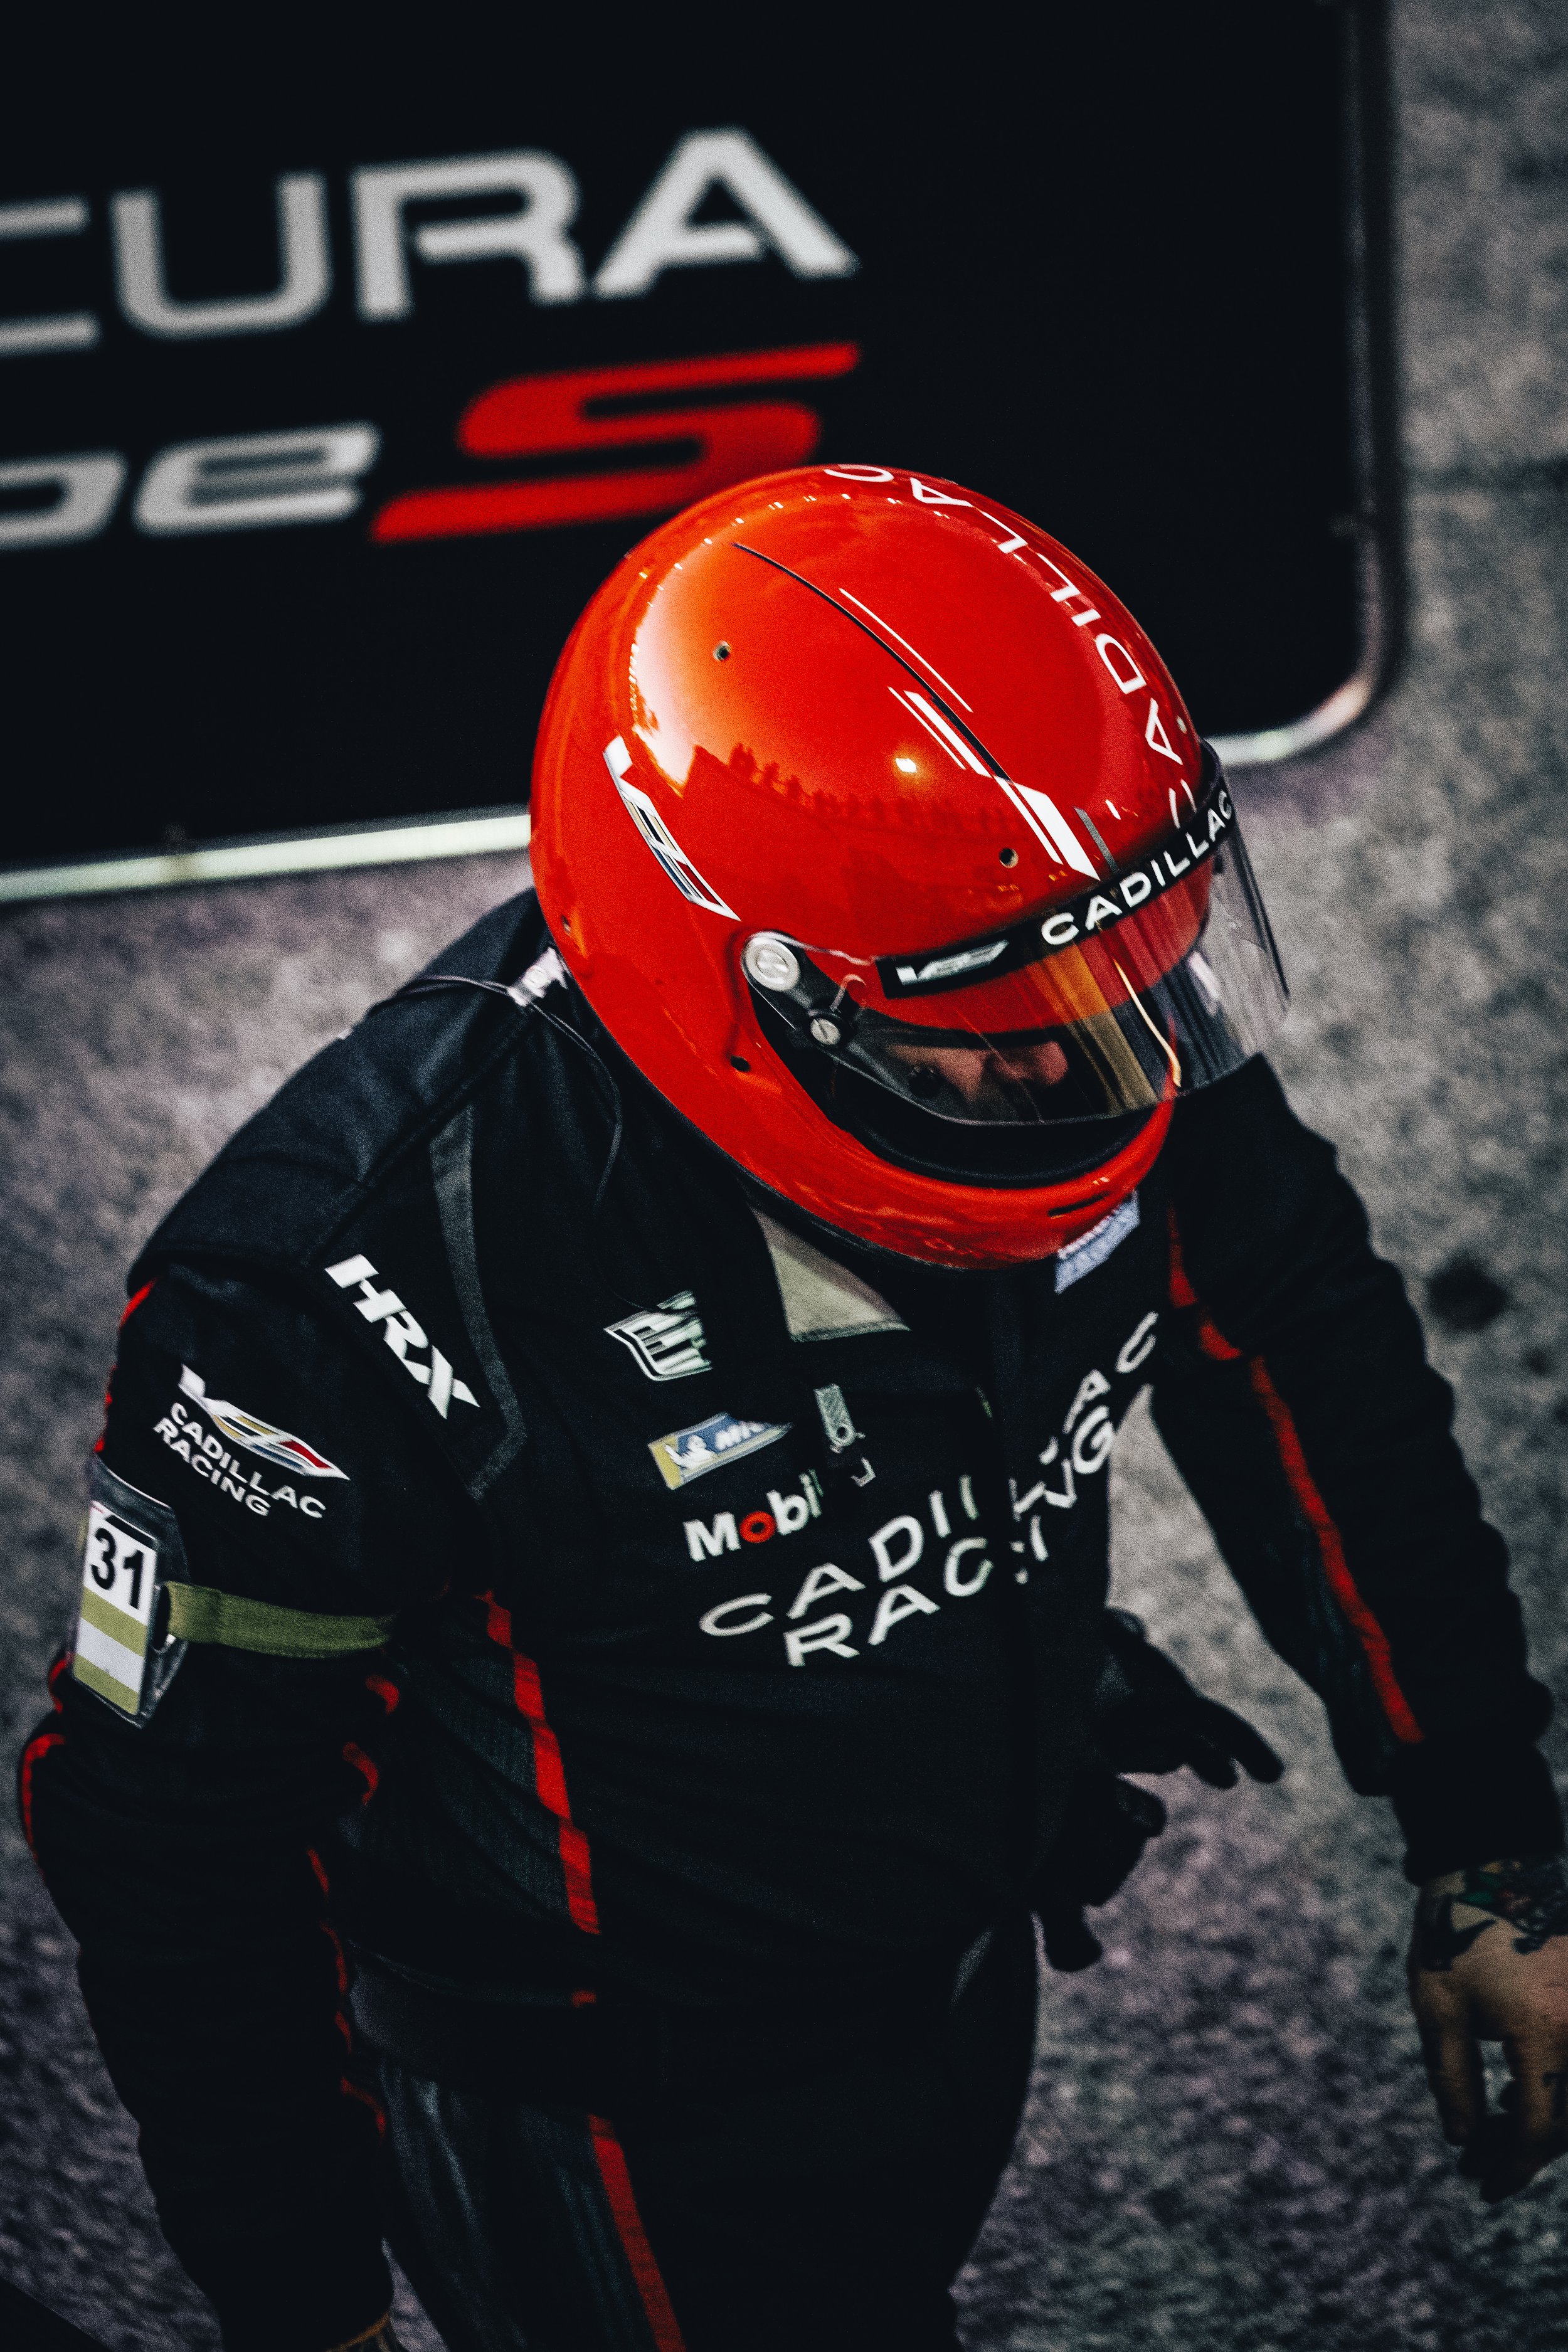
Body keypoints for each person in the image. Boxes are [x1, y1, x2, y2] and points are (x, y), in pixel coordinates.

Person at [19, 466, 1567, 2352]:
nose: (1111, 1063)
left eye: (1138, 974)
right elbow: (172, 1836)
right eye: (1011, 1041)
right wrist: (301, 2299)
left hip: (955, 1955)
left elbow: (1303, 1338)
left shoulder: (1062, 986)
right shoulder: (327, 1298)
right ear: (745, 1003)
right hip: (609, 2117)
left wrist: (1483, 1832)